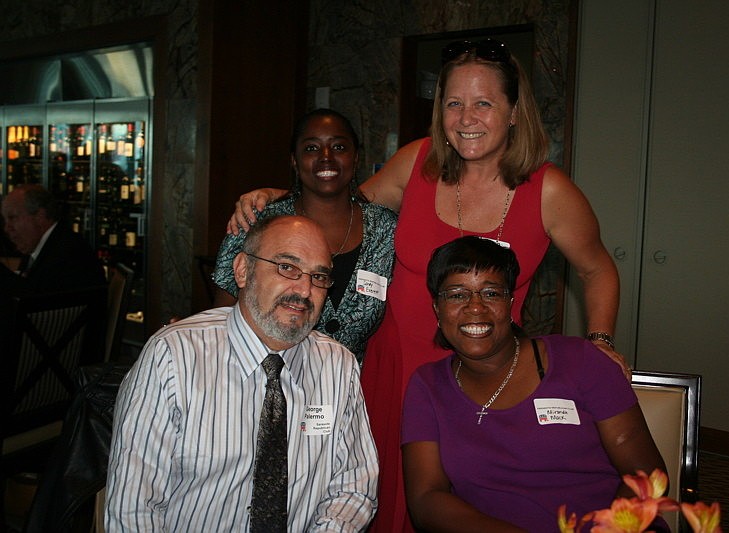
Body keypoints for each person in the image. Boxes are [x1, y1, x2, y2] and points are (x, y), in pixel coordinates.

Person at [228, 39, 623, 531]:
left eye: (483, 103)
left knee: (466, 505)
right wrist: (279, 198)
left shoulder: (549, 191)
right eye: (454, 103)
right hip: (394, 368)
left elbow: (597, 269)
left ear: (515, 112)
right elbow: (340, 209)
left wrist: (601, 340)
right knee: (379, 498)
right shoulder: (418, 164)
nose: (466, 117)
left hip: (483, 377)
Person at [105, 215, 379, 531]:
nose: (304, 290)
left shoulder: (337, 365)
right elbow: (134, 507)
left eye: (319, 276)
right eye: (287, 268)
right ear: (243, 270)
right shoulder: (175, 357)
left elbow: (355, 484)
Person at [401, 236, 666, 532]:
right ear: (437, 308)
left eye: (491, 293)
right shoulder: (427, 385)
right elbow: (426, 498)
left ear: (511, 303)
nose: (476, 307)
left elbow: (647, 476)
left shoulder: (580, 361)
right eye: (457, 295)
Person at [212, 108, 397, 363]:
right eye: (311, 148)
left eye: (339, 147)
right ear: (294, 161)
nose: (326, 157)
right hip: (260, 383)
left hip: (350, 389)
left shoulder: (386, 230)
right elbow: (220, 317)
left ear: (355, 159)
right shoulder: (257, 221)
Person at [0, 184, 106, 297]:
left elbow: (37, 302)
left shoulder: (68, 253)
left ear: (39, 217)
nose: (7, 228)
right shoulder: (38, 246)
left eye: (12, 218)